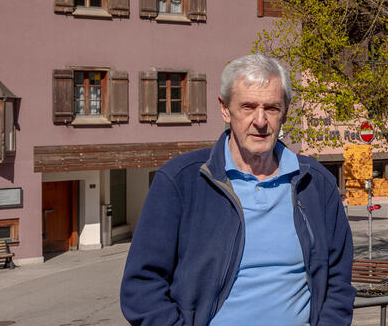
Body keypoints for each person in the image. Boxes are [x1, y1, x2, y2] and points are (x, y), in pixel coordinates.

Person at [120, 53, 354, 325]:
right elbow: (142, 286)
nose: (260, 120)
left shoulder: (316, 183)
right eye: (248, 106)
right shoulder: (181, 181)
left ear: (286, 111)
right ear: (225, 109)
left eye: (272, 108)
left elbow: (338, 280)